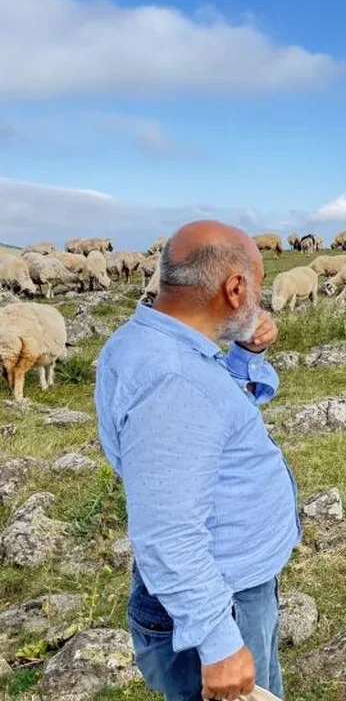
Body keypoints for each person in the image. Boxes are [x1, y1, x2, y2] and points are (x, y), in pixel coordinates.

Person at [95, 220, 299, 700]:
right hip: (216, 600)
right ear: (234, 288)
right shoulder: (174, 381)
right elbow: (168, 529)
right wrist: (219, 642)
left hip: (228, 584)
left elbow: (211, 423)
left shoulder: (153, 343)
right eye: (258, 285)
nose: (259, 298)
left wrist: (247, 355)